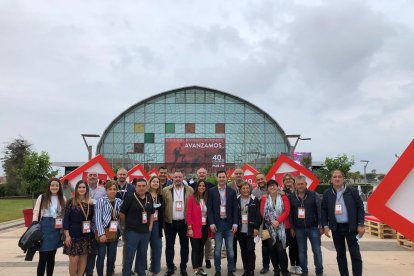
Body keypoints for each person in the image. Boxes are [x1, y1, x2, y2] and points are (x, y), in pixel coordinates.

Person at [321, 170, 365, 276]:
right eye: (334, 177)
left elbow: (360, 207)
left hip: (352, 228)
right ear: (331, 179)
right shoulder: (327, 193)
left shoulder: (352, 191)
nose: (337, 179)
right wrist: (325, 226)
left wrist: (360, 224)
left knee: (355, 255)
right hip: (336, 228)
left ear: (343, 178)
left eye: (339, 176)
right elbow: (323, 210)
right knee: (340, 255)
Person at [120, 178, 155, 276]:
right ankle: (126, 273)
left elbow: (152, 212)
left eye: (143, 186)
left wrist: (151, 225)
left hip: (145, 232)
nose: (141, 188)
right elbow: (122, 213)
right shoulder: (130, 198)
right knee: (129, 255)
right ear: (135, 187)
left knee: (142, 254)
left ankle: (141, 272)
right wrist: (126, 225)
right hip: (132, 232)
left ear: (147, 187)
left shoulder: (149, 197)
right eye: (139, 186)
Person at [289, 175, 323, 276]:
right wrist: (292, 227)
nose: (300, 186)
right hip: (299, 229)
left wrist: (321, 225)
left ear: (306, 184)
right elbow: (291, 214)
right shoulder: (292, 197)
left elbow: (319, 211)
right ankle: (304, 271)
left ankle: (319, 272)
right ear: (295, 185)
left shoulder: (314, 195)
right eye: (298, 184)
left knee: (317, 251)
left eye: (302, 184)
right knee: (302, 252)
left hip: (313, 228)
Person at [162, 171, 194, 276]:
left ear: (183, 177)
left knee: (184, 246)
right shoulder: (166, 190)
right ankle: (170, 267)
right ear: (172, 178)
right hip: (170, 222)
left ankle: (183, 268)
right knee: (169, 246)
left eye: (180, 177)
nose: (178, 179)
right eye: (176, 177)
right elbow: (163, 206)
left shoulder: (189, 190)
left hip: (184, 223)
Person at [33, 178, 66, 276]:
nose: (54, 187)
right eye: (52, 185)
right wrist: (34, 224)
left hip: (56, 228)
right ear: (49, 186)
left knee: (52, 257)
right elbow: (36, 211)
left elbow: (63, 213)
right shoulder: (42, 197)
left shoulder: (62, 198)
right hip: (44, 227)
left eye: (56, 185)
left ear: (59, 187)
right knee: (43, 257)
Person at [207, 170, 238, 276]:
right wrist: (211, 223)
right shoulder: (211, 191)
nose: (221, 179)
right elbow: (209, 209)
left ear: (226, 178)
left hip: (229, 224)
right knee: (217, 250)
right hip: (217, 224)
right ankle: (218, 271)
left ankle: (230, 271)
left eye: (223, 177)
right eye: (219, 177)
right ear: (217, 178)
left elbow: (235, 209)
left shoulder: (232, 191)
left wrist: (235, 223)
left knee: (230, 249)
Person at [63, 180, 96, 276]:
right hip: (73, 235)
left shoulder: (91, 203)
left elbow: (92, 219)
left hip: (86, 235)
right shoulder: (70, 201)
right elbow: (66, 219)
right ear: (76, 189)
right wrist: (67, 235)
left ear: (87, 189)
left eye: (83, 187)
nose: (81, 189)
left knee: (83, 258)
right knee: (74, 260)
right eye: (79, 187)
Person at [260, 180, 290, 276]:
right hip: (267, 228)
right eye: (270, 186)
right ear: (267, 188)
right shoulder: (264, 198)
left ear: (278, 187)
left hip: (282, 227)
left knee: (281, 250)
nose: (272, 187)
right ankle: (276, 270)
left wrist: (278, 221)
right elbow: (262, 212)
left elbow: (287, 210)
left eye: (274, 185)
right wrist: (271, 221)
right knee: (271, 250)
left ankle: (284, 271)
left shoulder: (284, 197)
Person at [94, 181, 122, 276]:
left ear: (117, 190)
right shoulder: (101, 201)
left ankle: (109, 274)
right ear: (106, 190)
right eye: (110, 189)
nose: (112, 191)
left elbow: (121, 216)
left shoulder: (119, 201)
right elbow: (97, 218)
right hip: (103, 232)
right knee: (101, 256)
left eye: (114, 189)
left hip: (114, 232)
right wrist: (101, 234)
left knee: (111, 257)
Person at [236, 182, 262, 276]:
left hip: (251, 229)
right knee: (243, 250)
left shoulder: (254, 200)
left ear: (250, 189)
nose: (245, 190)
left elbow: (258, 215)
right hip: (240, 230)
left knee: (250, 250)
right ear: (240, 189)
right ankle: (246, 269)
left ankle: (251, 270)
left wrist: (256, 227)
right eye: (243, 188)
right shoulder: (237, 199)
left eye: (247, 188)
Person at [186, 180, 210, 276]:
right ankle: (195, 269)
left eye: (203, 186)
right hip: (195, 227)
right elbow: (188, 214)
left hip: (204, 227)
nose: (201, 187)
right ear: (197, 187)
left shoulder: (207, 198)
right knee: (195, 248)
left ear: (205, 187)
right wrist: (190, 227)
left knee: (201, 248)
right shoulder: (192, 198)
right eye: (200, 185)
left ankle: (200, 267)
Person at [85, 171, 106, 276]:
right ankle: (88, 273)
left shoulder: (103, 190)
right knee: (88, 252)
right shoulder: (83, 189)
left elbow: (106, 204)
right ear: (87, 177)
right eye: (90, 175)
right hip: (85, 225)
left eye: (94, 175)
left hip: (99, 226)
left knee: (100, 253)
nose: (92, 177)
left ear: (98, 178)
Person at [251, 173, 270, 274]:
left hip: (276, 223)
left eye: (262, 179)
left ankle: (279, 266)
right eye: (258, 180)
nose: (260, 181)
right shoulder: (254, 191)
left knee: (277, 246)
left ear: (265, 178)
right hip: (264, 224)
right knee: (265, 245)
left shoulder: (272, 187)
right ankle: (265, 266)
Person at [282, 173, 301, 275]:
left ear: (293, 180)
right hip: (287, 223)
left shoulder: (299, 191)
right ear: (284, 182)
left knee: (297, 246)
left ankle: (298, 265)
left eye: (290, 179)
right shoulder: (282, 193)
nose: (288, 180)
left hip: (298, 222)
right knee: (289, 246)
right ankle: (292, 265)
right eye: (286, 179)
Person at [196, 167, 214, 269]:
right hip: (197, 222)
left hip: (207, 221)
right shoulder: (192, 186)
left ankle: (207, 259)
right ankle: (198, 261)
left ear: (206, 174)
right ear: (197, 174)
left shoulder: (211, 187)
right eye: (200, 172)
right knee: (197, 243)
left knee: (208, 242)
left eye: (203, 172)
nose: (202, 174)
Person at [147, 176, 164, 276]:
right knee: (143, 248)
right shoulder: (145, 195)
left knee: (157, 248)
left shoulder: (161, 196)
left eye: (157, 182)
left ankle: (155, 270)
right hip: (146, 224)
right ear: (150, 183)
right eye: (154, 181)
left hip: (157, 224)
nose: (155, 183)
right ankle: (142, 269)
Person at [230, 168, 244, 268]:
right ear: (234, 175)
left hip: (245, 220)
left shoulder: (248, 186)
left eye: (240, 173)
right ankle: (233, 264)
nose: (238, 175)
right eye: (237, 173)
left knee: (244, 245)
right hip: (232, 219)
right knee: (232, 245)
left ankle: (246, 265)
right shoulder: (229, 186)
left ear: (243, 175)